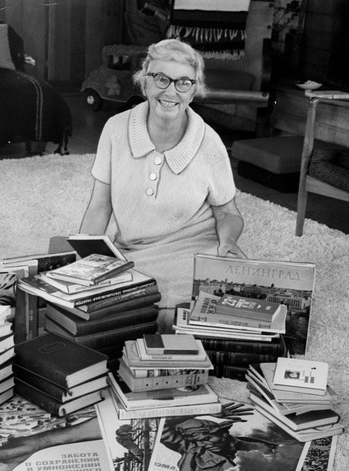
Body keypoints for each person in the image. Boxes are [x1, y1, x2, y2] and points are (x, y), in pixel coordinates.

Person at [80, 39, 246, 332]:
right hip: (132, 253)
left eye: (183, 82)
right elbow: (99, 205)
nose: (171, 91)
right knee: (81, 304)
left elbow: (228, 213)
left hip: (191, 252)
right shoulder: (115, 129)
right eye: (161, 78)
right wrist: (82, 263)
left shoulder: (210, 143)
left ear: (194, 90)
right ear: (144, 82)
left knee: (177, 317)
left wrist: (228, 242)